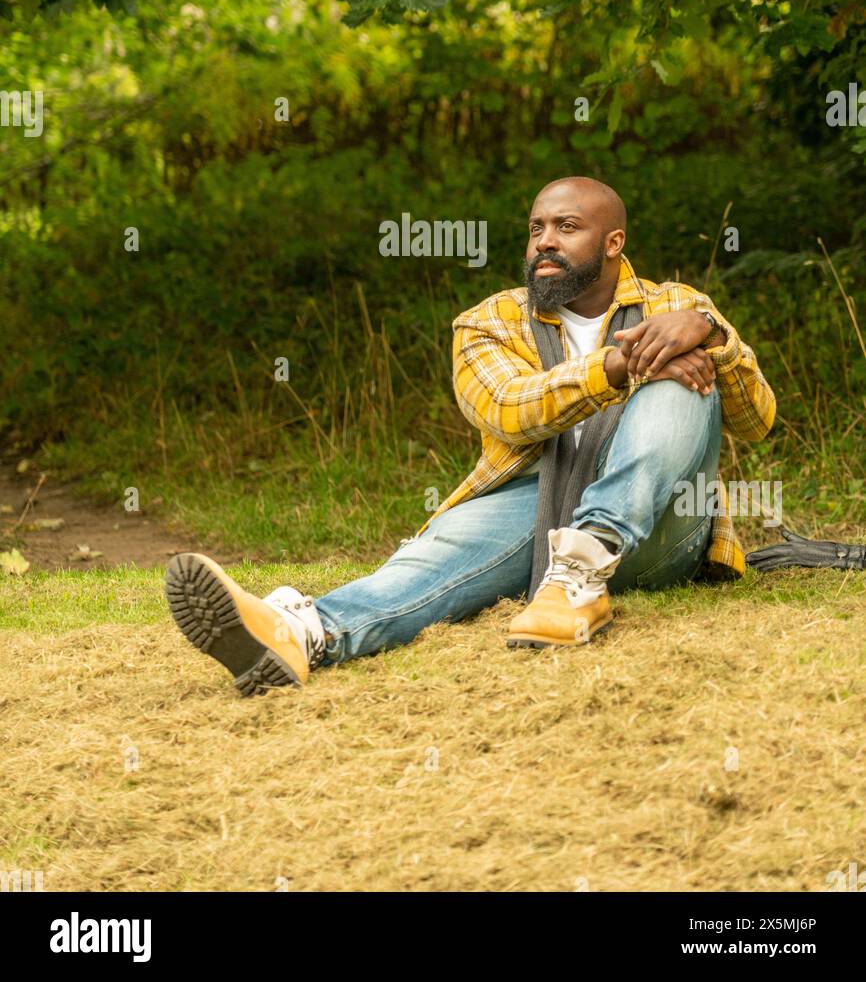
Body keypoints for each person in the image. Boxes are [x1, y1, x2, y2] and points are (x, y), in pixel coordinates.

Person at [165, 176, 775, 696]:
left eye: (567, 227)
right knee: (438, 558)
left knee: (682, 384)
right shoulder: (489, 322)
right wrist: (620, 366)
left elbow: (756, 421)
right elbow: (510, 409)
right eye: (536, 228)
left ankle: (588, 559)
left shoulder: (678, 303)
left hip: (663, 530)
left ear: (613, 243)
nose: (545, 242)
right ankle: (301, 633)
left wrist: (712, 336)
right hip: (536, 514)